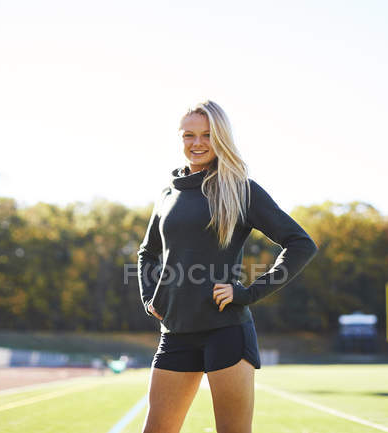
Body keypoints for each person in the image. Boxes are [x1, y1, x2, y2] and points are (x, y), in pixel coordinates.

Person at [137, 100, 319, 433]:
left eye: (207, 135)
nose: (197, 143)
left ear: (221, 138)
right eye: (189, 135)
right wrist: (150, 299)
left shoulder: (240, 189)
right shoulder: (168, 194)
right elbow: (147, 253)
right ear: (180, 138)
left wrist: (249, 293)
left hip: (226, 332)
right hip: (175, 333)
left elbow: (301, 244)